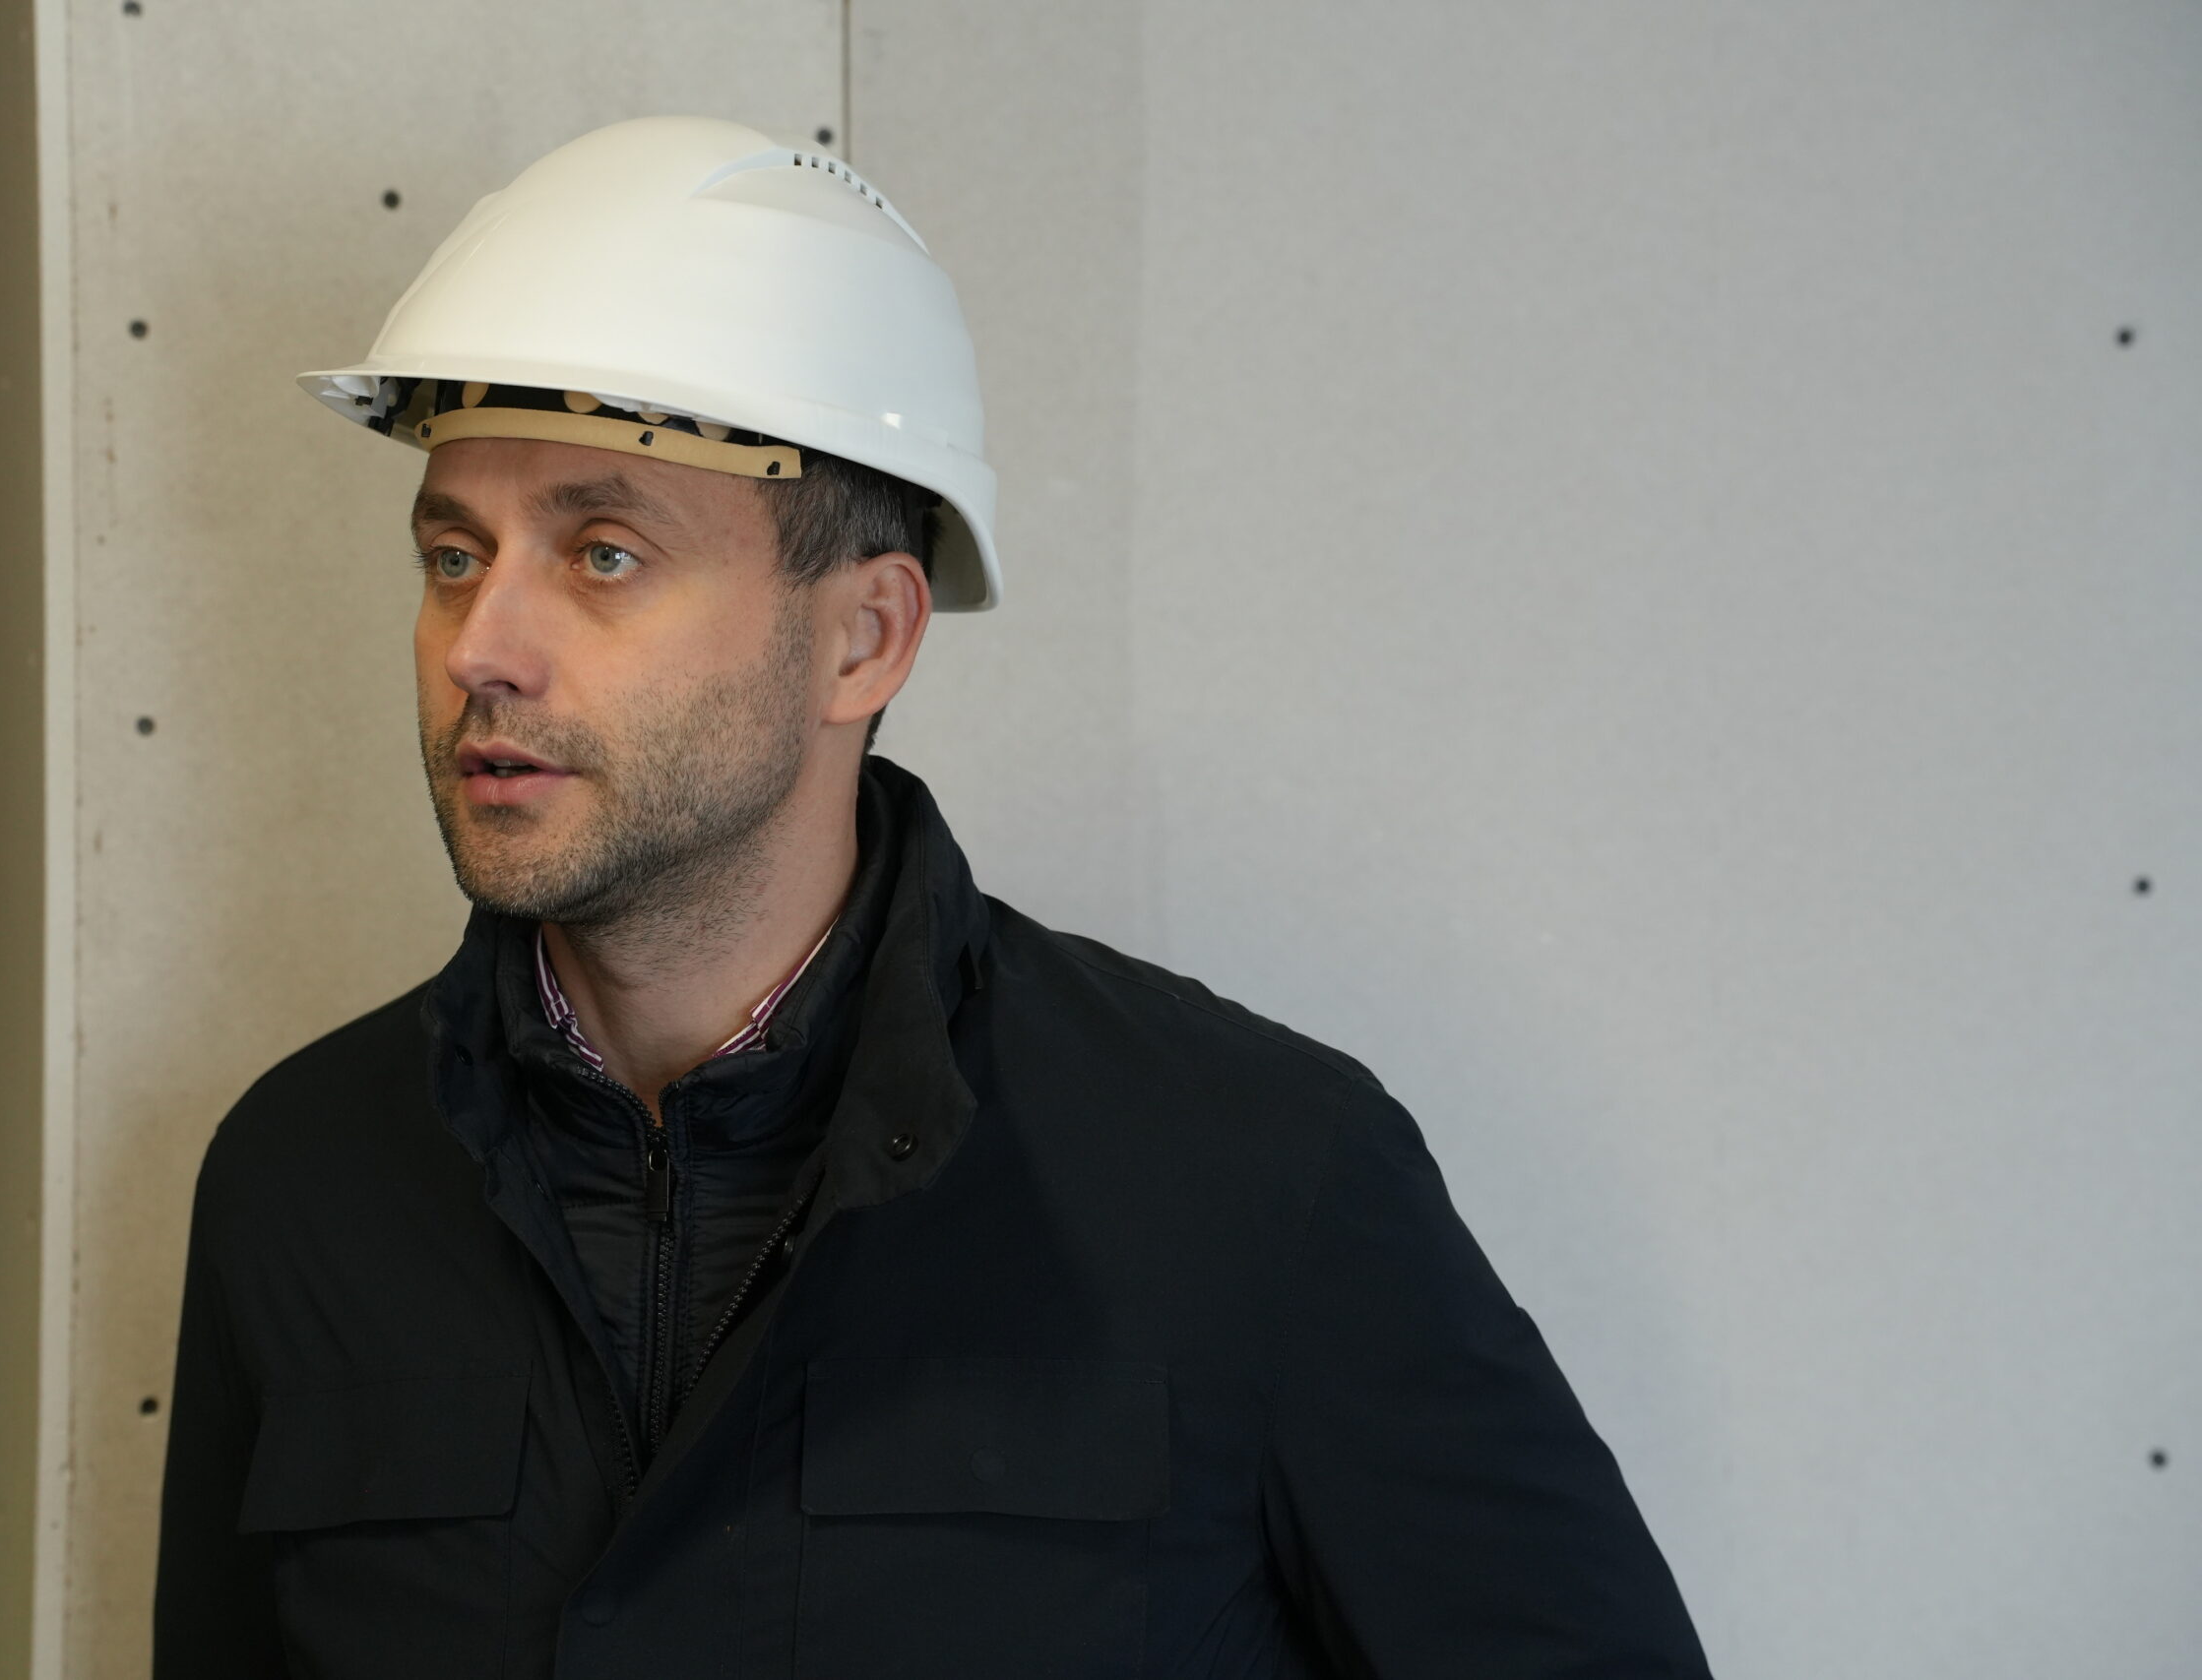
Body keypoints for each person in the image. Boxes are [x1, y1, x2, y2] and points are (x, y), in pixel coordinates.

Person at [153, 116, 1711, 1680]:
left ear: (865, 639)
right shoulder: (303, 1178)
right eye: (453, 556)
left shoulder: (1251, 1180)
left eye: (604, 555)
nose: (482, 645)